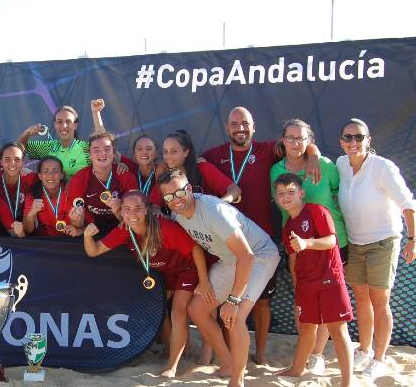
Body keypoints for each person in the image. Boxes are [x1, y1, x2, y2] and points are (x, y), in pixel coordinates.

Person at [202, 107, 321, 364]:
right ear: (227, 127)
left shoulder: (268, 150)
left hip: (262, 241)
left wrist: (313, 155)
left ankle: (262, 352)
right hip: (228, 242)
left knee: (261, 302)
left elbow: (299, 145)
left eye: (245, 123)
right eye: (234, 124)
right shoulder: (213, 155)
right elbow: (193, 164)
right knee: (227, 299)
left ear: (253, 127)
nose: (240, 128)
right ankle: (231, 349)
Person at [159, 168, 280, 387]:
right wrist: (203, 281)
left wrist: (233, 300)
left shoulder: (213, 210)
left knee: (234, 317)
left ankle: (237, 380)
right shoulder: (177, 215)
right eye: (168, 196)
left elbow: (247, 256)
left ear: (189, 189)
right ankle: (227, 363)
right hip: (229, 260)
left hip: (259, 255)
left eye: (178, 193)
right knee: (196, 309)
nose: (175, 200)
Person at [83, 191, 214, 378]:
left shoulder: (164, 227)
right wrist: (87, 237)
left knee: (178, 311)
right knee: (159, 307)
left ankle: (172, 366)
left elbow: (195, 248)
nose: (132, 214)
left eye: (137, 208)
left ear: (147, 210)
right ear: (121, 211)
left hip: (187, 269)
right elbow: (94, 251)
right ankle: (171, 349)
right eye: (126, 209)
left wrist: (204, 281)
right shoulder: (123, 230)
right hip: (164, 273)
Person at [336, 118, 415, 378]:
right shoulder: (339, 164)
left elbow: (408, 204)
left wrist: (413, 239)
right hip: (355, 243)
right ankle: (365, 349)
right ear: (341, 142)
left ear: (369, 140)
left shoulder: (383, 167)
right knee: (361, 298)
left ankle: (379, 358)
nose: (353, 142)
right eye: (348, 137)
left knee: (380, 301)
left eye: (359, 137)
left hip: (383, 241)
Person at [269, 118, 349, 373]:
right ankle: (302, 363)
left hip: (332, 245)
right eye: (290, 138)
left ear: (310, 141)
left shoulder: (325, 166)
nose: (295, 143)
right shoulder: (276, 171)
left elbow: (341, 192)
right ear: (282, 140)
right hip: (296, 243)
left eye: (300, 138)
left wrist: (314, 156)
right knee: (307, 311)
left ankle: (316, 355)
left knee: (334, 317)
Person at [273, 173, 354, 386]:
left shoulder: (317, 211)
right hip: (306, 285)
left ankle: (347, 381)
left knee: (338, 330)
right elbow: (293, 258)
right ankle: (297, 369)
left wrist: (307, 243)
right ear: (275, 197)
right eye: (281, 193)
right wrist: (297, 285)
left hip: (329, 280)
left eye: (290, 192)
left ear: (302, 193)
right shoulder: (288, 226)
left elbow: (331, 240)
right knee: (307, 328)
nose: (286, 197)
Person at [67, 132, 138, 233]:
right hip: (92, 229)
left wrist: (118, 210)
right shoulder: (79, 179)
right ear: (89, 154)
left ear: (113, 153)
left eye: (107, 149)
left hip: (123, 226)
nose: (102, 154)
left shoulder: (126, 176)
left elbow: (135, 219)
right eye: (96, 150)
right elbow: (78, 224)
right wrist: (77, 219)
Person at [18, 99, 107, 179]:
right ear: (55, 125)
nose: (64, 126)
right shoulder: (48, 147)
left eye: (68, 122)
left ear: (75, 125)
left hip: (81, 196)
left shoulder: (85, 148)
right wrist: (27, 133)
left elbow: (102, 144)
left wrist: (96, 113)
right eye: (59, 122)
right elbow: (19, 149)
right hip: (55, 196)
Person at [158, 130, 240, 204]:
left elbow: (235, 190)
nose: (168, 156)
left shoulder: (202, 167)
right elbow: (154, 204)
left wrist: (218, 205)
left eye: (174, 151)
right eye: (165, 151)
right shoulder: (165, 176)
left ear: (186, 152)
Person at [23, 156, 83, 236]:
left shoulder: (72, 191)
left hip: (70, 240)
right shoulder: (33, 195)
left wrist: (78, 225)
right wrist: (31, 214)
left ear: (61, 175)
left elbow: (85, 224)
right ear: (40, 176)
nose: (50, 176)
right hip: (46, 242)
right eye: (46, 171)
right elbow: (28, 230)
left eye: (55, 171)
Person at [0, 142, 37, 222]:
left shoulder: (30, 177)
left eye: (17, 159)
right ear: (1, 162)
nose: (12, 164)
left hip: (23, 225)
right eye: (7, 159)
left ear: (23, 162)